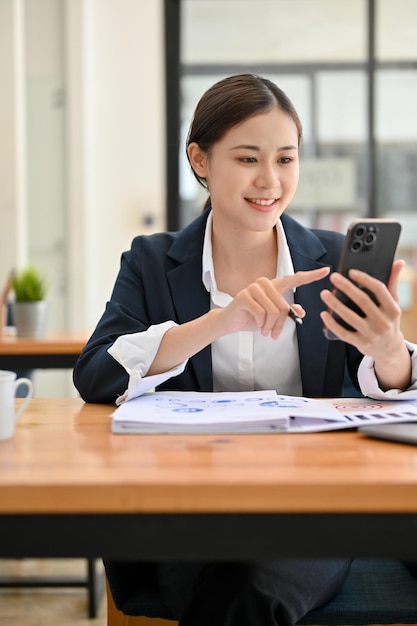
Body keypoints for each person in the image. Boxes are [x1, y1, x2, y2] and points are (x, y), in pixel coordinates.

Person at [73, 74, 417, 626]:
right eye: (248, 158)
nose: (270, 180)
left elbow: (395, 383)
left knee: (250, 587)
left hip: (310, 509)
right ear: (201, 160)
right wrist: (215, 322)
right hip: (189, 506)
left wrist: (388, 350)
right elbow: (95, 374)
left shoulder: (328, 261)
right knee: (231, 581)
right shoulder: (151, 261)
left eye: (286, 159)